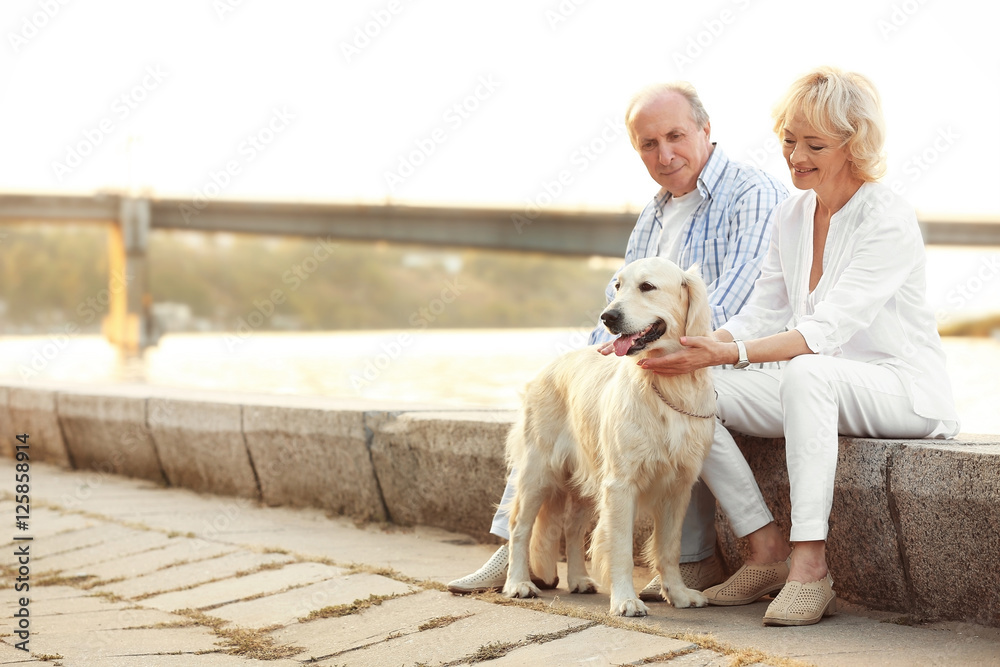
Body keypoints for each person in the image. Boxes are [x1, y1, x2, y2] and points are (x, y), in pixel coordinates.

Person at [639, 66, 961, 626]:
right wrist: (693, 348)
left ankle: (810, 567)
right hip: (815, 381)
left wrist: (726, 354)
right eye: (789, 140)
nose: (795, 156)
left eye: (814, 144)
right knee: (683, 386)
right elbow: (763, 311)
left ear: (853, 145)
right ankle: (765, 546)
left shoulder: (886, 217)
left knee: (808, 370)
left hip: (902, 388)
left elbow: (823, 334)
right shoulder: (792, 212)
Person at [448, 81, 788, 596]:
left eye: (675, 136)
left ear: (705, 129)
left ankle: (749, 554)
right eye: (648, 144)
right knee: (568, 398)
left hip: (730, 356)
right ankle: (514, 547)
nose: (664, 154)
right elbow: (618, 314)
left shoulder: (752, 192)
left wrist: (682, 353)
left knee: (691, 406)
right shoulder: (652, 214)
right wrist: (594, 362)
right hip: (655, 363)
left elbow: (743, 304)